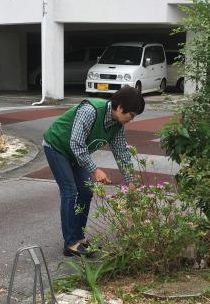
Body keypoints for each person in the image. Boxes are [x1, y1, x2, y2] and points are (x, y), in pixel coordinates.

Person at [43, 86, 145, 257]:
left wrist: (131, 182)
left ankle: (79, 237)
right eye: (131, 115)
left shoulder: (117, 125)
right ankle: (70, 243)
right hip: (57, 147)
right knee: (70, 191)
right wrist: (95, 170)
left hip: (77, 154)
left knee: (86, 191)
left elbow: (122, 153)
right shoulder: (90, 110)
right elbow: (76, 143)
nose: (131, 120)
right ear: (120, 107)